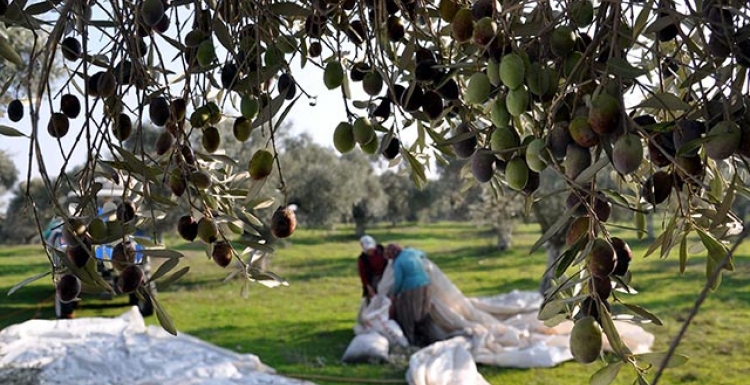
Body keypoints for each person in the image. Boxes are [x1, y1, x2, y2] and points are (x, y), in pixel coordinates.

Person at [385, 243, 434, 347]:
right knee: (424, 311)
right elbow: (423, 253)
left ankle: (411, 341)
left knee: (409, 314)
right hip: (426, 283)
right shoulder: (411, 251)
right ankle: (427, 338)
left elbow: (399, 280)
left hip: (412, 288)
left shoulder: (398, 262)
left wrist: (394, 293)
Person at [357, 235, 387, 302]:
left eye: (372, 249)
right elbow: (363, 275)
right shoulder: (362, 259)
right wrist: (368, 287)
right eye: (368, 250)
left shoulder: (382, 250)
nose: (371, 251)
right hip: (373, 279)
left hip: (386, 275)